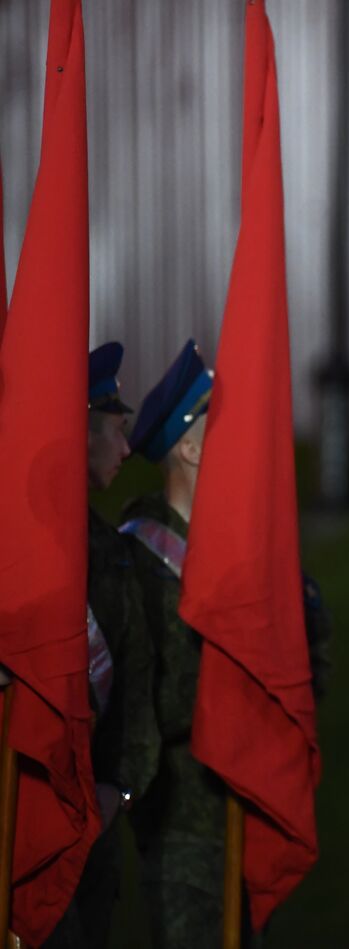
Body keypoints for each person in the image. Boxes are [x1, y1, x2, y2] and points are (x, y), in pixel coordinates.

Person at [121, 340, 331, 948]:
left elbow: (312, 653)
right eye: (221, 422)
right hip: (183, 819)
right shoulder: (141, 560)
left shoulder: (245, 551)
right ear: (188, 446)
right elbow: (142, 697)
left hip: (253, 802)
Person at [43, 342, 160, 949]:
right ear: (77, 433)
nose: (127, 448)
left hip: (89, 827)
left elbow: (135, 686)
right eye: (114, 431)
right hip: (29, 824)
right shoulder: (31, 548)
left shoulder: (106, 550)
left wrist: (122, 788)